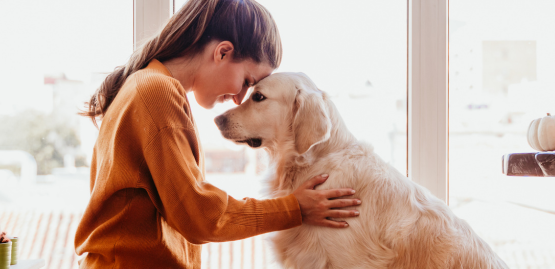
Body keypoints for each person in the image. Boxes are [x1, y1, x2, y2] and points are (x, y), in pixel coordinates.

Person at [74, 0, 361, 267]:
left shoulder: (147, 85)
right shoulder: (157, 92)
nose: (239, 98)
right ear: (222, 52)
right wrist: (293, 208)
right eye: (247, 81)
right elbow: (200, 216)